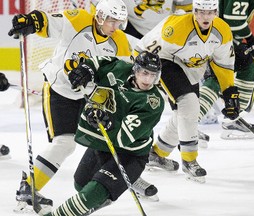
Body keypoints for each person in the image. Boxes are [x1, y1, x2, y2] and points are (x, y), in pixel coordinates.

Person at [8, 0, 157, 211]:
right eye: (111, 21)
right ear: (100, 17)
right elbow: (48, 21)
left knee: (108, 139)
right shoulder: (78, 20)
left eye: (119, 22)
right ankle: (28, 189)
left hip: (90, 97)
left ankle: (125, 176)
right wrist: (31, 21)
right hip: (60, 90)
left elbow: (117, 75)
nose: (115, 27)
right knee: (65, 143)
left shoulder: (120, 42)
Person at [42, 51, 164, 216]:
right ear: (135, 69)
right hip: (103, 144)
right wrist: (86, 69)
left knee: (91, 194)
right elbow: (99, 61)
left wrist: (106, 121)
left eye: (152, 75)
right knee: (81, 183)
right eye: (144, 73)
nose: (148, 80)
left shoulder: (153, 102)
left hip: (130, 154)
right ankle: (112, 190)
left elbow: (123, 138)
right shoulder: (120, 69)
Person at [134, 0, 240, 183]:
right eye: (201, 12)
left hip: (191, 69)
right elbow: (144, 49)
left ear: (216, 11)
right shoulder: (176, 28)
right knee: (189, 105)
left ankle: (156, 153)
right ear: (194, 11)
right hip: (166, 62)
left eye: (210, 12)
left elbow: (224, 64)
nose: (205, 17)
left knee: (184, 113)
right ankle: (190, 160)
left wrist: (229, 91)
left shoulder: (222, 31)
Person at [198, 0, 254, 143]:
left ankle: (233, 118)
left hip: (221, 37)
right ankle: (188, 125)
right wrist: (252, 40)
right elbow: (234, 21)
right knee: (217, 78)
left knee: (247, 67)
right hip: (217, 39)